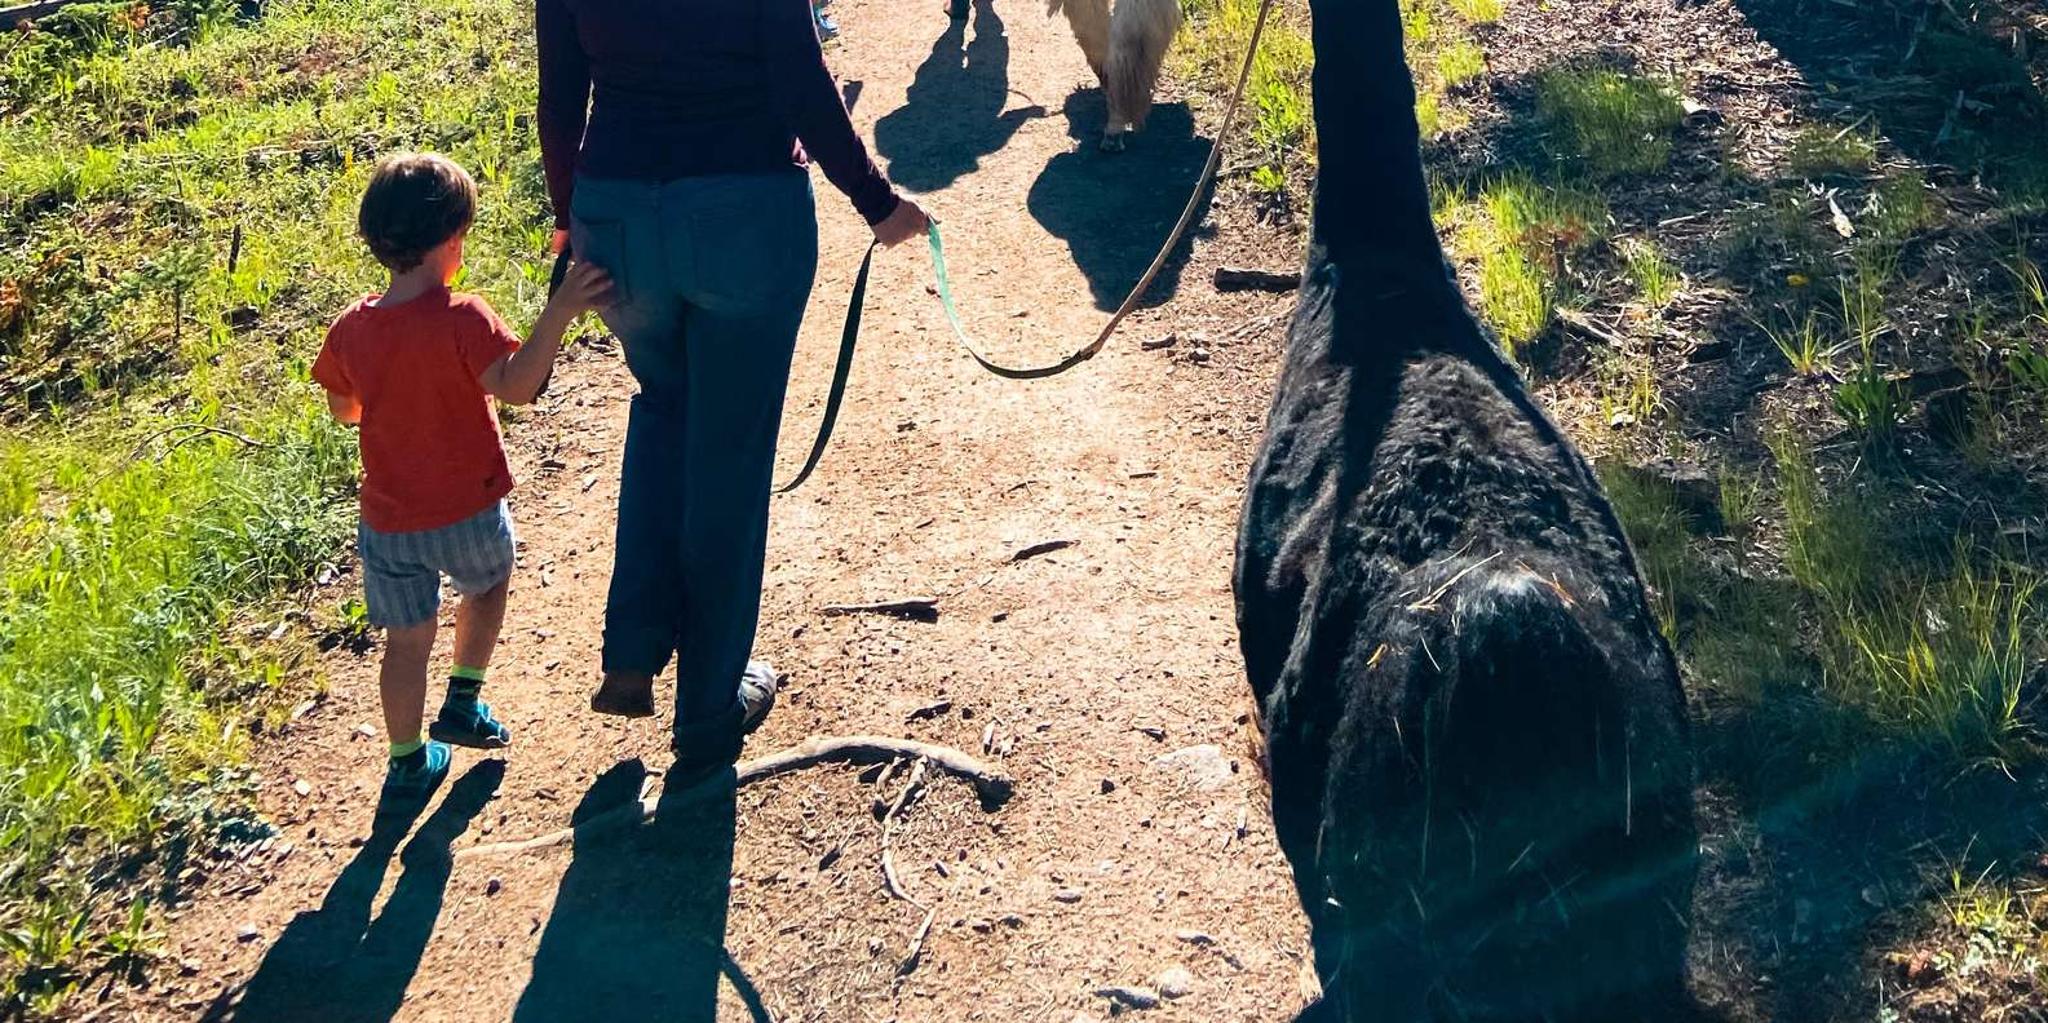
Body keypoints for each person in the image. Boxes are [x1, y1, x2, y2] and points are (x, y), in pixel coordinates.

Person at [537, 0, 929, 780]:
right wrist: (877, 204)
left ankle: (633, 649)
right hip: (743, 210)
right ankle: (710, 704)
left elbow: (559, 97)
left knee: (661, 407)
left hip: (617, 210)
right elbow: (798, 78)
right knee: (729, 451)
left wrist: (570, 216)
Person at [315, 153, 613, 796]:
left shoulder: (351, 329)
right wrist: (558, 310)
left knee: (406, 641)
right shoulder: (464, 318)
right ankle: (464, 698)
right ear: (450, 241)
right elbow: (518, 387)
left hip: (389, 522)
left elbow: (345, 410)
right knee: (487, 585)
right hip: (468, 510)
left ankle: (405, 761)